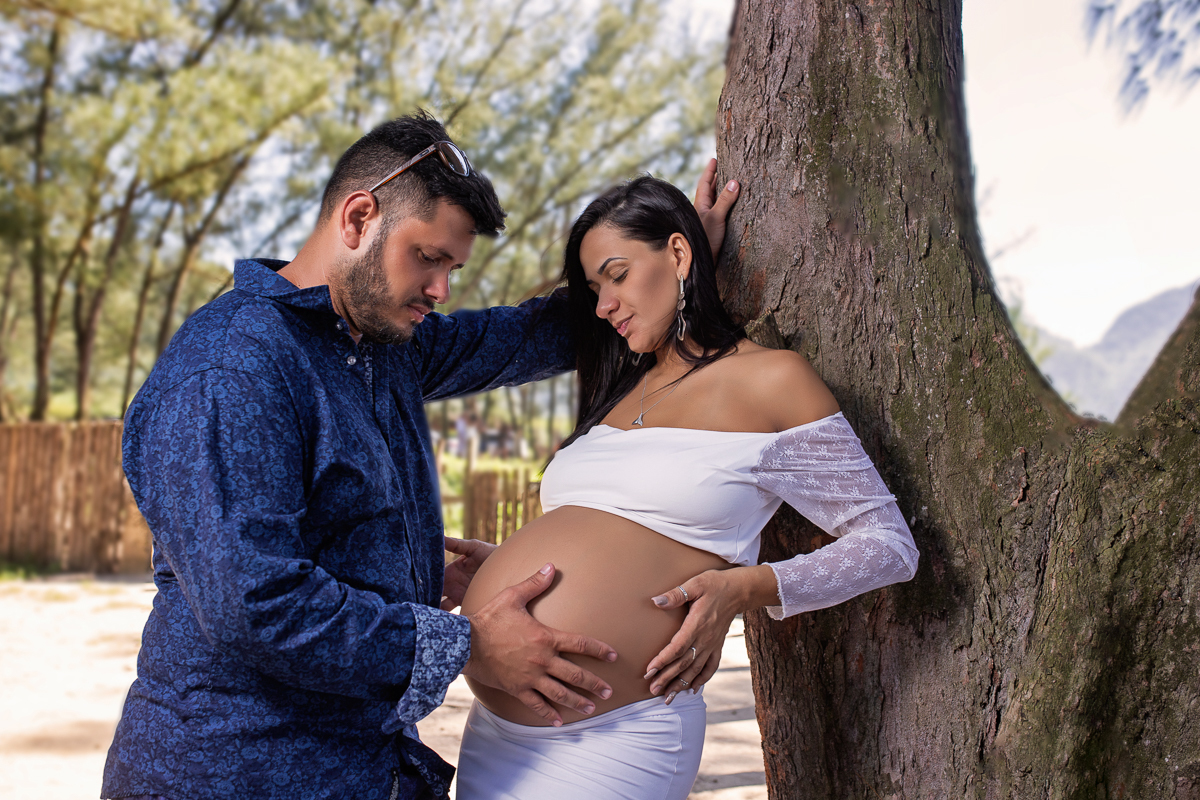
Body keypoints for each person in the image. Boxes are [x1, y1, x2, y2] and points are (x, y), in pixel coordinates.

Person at [101, 114, 737, 800]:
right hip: (232, 774)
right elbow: (256, 603)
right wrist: (465, 645)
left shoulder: (381, 345)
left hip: (364, 770)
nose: (441, 289)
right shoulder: (232, 371)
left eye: (452, 267)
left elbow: (524, 336)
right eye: (428, 258)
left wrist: (669, 263)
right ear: (358, 217)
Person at [453, 176, 920, 799]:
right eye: (594, 289)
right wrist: (515, 564)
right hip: (495, 731)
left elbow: (889, 545)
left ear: (678, 254)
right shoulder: (618, 390)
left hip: (613, 737)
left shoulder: (769, 380)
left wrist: (747, 587)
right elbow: (615, 525)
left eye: (617, 275)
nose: (602, 305)